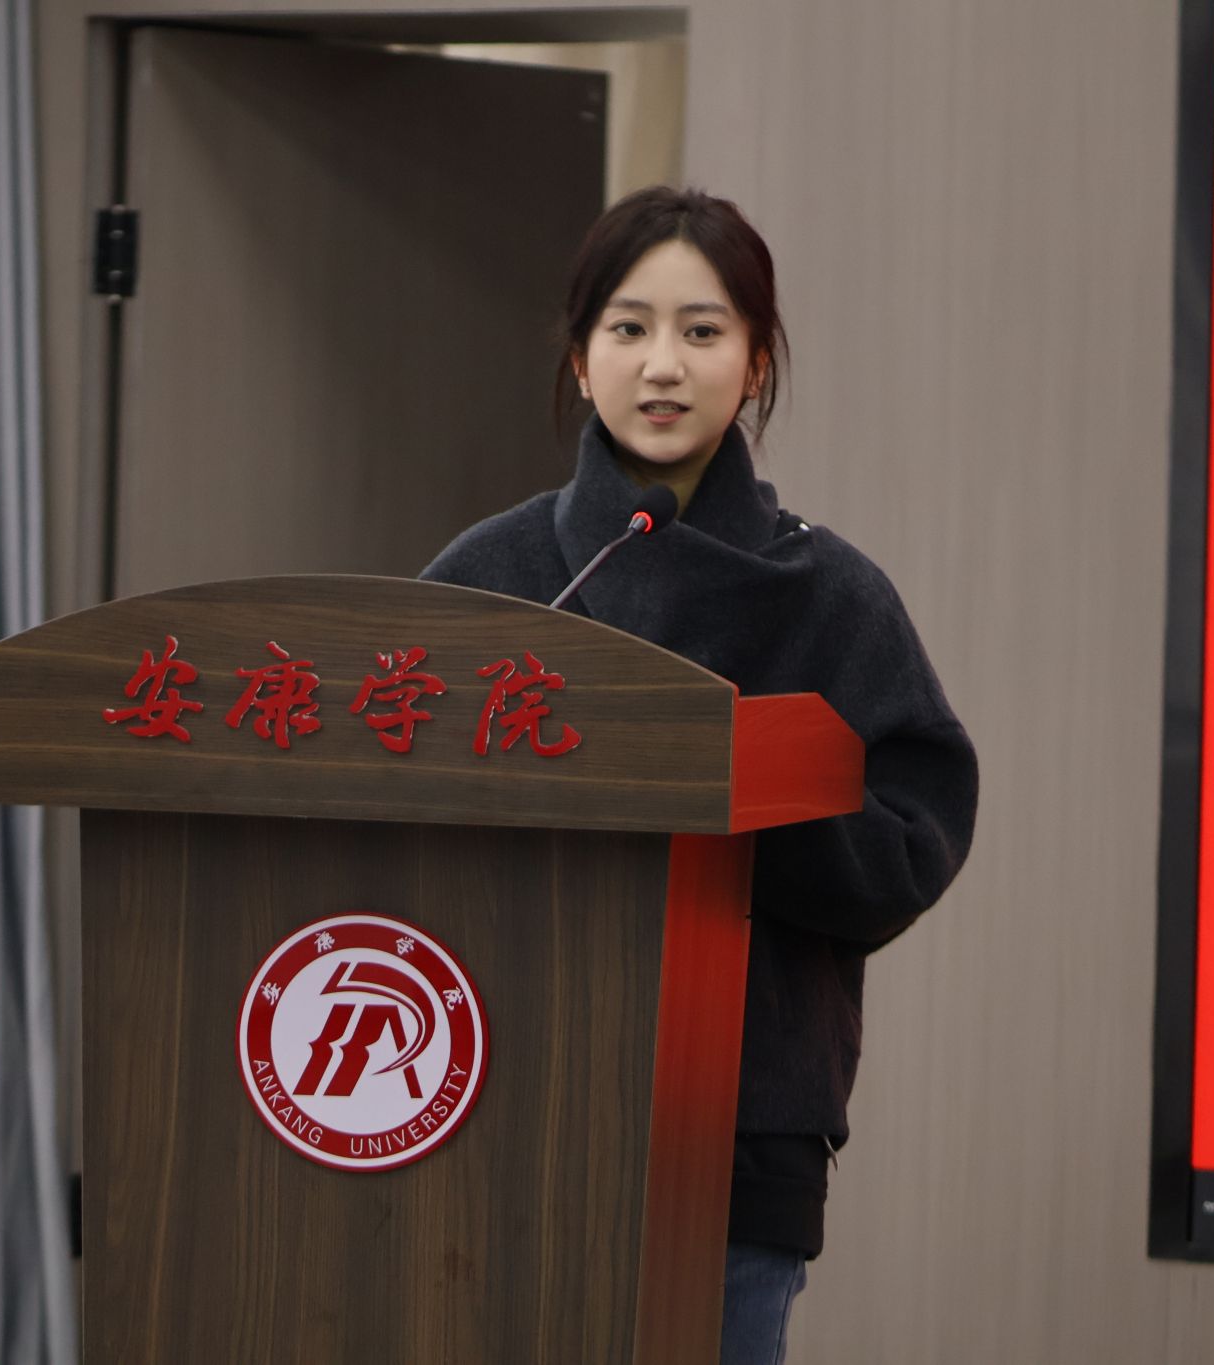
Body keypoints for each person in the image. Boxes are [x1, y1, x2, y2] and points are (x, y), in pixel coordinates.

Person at [419, 186, 980, 1365]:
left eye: (702, 330)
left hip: (732, 1145)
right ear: (580, 360)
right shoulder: (491, 575)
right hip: (496, 1118)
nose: (661, 364)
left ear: (756, 361)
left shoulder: (832, 596)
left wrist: (740, 796)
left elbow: (911, 842)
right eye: (627, 329)